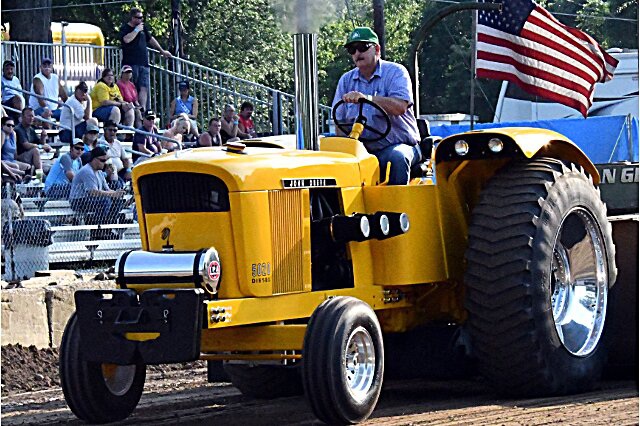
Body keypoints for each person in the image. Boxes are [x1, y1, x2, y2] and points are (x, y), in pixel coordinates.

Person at [332, 27, 421, 185]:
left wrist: (367, 99)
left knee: (396, 157)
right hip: (360, 151)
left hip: (397, 145)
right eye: (352, 49)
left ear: (377, 49)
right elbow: (339, 122)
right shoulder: (345, 80)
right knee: (326, 155)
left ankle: (395, 201)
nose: (357, 53)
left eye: (362, 47)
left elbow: (400, 106)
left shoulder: (396, 72)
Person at [119, 7, 172, 111]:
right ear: (132, 18)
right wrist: (136, 30)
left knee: (144, 87)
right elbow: (126, 39)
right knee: (131, 87)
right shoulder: (125, 28)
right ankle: (132, 110)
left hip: (144, 63)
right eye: (138, 18)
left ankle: (142, 110)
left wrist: (162, 51)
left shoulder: (143, 28)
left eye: (141, 17)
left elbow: (151, 39)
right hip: (131, 63)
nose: (140, 20)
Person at [69, 146, 127, 224]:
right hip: (78, 201)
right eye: (102, 160)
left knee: (117, 200)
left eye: (105, 160)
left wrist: (117, 193)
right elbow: (93, 192)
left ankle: (108, 225)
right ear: (94, 159)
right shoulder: (87, 171)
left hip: (91, 199)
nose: (105, 163)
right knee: (105, 201)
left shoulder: (99, 172)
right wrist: (113, 194)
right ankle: (98, 226)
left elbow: (107, 189)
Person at [28, 57, 68, 124]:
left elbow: (63, 95)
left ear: (52, 67)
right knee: (46, 117)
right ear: (40, 67)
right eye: (44, 65)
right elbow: (40, 97)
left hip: (54, 110)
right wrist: (46, 108)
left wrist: (70, 105)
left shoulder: (55, 77)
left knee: (68, 115)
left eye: (49, 65)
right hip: (39, 109)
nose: (47, 68)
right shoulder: (37, 78)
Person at [14, 107, 50, 172]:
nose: (31, 118)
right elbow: (26, 145)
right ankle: (40, 175)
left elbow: (40, 143)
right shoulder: (18, 129)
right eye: (29, 116)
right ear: (22, 117)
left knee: (48, 167)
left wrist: (43, 137)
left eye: (32, 116)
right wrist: (42, 146)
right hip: (19, 157)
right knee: (35, 150)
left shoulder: (31, 129)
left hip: (30, 157)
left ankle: (41, 173)